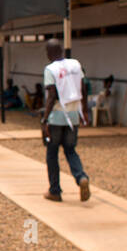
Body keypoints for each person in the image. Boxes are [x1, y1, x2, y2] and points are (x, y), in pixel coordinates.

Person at [39, 39, 90, 202]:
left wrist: (44, 119)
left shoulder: (50, 69)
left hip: (56, 117)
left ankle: (55, 190)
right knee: (70, 150)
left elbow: (52, 95)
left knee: (52, 154)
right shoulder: (75, 64)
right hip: (73, 116)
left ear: (48, 53)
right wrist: (85, 111)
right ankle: (81, 177)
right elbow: (83, 89)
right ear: (62, 50)